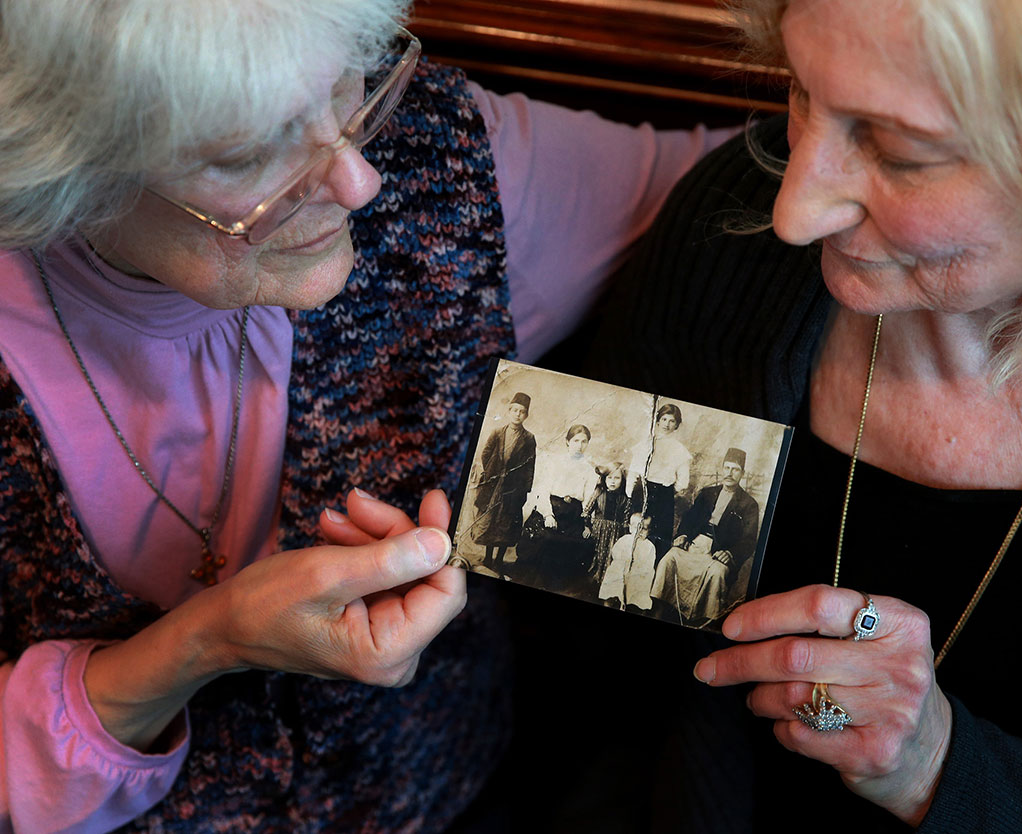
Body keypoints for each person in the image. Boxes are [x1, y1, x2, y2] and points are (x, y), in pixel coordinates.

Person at [0, 0, 737, 829]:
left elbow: (768, 196)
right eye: (247, 151)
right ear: (62, 161)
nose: (359, 180)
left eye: (347, 87)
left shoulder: (444, 164)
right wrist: (203, 644)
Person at [585, 0, 1022, 829]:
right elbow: (587, 671)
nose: (794, 212)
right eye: (800, 93)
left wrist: (941, 771)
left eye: (899, 152)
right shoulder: (728, 237)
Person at [672, 447, 761, 601]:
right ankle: (663, 606)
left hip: (719, 551)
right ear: (722, 469)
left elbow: (749, 540)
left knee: (717, 573)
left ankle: (702, 616)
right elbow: (689, 518)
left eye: (735, 469)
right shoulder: (707, 493)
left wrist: (730, 553)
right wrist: (683, 535)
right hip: (695, 542)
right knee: (670, 558)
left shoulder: (749, 504)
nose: (729, 473)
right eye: (726, 468)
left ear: (742, 474)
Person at [519, 424, 598, 592]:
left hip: (574, 515)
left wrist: (586, 524)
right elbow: (543, 490)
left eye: (584, 441)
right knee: (547, 538)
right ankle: (538, 581)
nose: (580, 445)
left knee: (583, 543)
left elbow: (588, 501)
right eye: (576, 440)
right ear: (567, 442)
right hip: (552, 509)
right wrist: (548, 515)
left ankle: (560, 585)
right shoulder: (555, 462)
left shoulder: (589, 470)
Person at [473, 392, 537, 568]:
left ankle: (499, 559)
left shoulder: (529, 438)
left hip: (513, 488)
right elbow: (486, 453)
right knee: (491, 520)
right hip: (494, 485)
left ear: (526, 415)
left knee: (506, 522)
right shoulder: (497, 432)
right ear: (509, 411)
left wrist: (525, 488)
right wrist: (492, 472)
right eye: (515, 410)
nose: (517, 414)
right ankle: (487, 557)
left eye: (522, 411)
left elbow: (530, 465)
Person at [627, 402, 692, 558]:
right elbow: (633, 471)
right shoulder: (647, 443)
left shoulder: (680, 450)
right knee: (636, 532)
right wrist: (630, 495)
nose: (667, 424)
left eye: (672, 421)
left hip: (664, 497)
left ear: (677, 425)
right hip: (642, 492)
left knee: (659, 536)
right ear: (657, 420)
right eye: (664, 419)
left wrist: (666, 491)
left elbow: (683, 482)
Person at [597, 512, 657, 613]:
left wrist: (638, 566)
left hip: (638, 572)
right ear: (630, 527)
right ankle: (609, 600)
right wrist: (624, 560)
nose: (639, 532)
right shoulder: (624, 540)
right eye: (636, 528)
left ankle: (637, 606)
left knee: (638, 585)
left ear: (649, 531)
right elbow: (615, 553)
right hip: (621, 568)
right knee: (613, 576)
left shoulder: (649, 546)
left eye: (644, 529)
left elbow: (649, 564)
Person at [583, 460, 630, 584]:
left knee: (611, 557)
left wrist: (624, 537)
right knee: (596, 555)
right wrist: (587, 527)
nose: (613, 481)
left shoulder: (625, 498)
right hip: (598, 530)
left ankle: (606, 583)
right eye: (609, 478)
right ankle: (592, 580)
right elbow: (587, 512)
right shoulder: (599, 493)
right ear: (604, 479)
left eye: (617, 478)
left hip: (615, 534)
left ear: (622, 480)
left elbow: (626, 521)